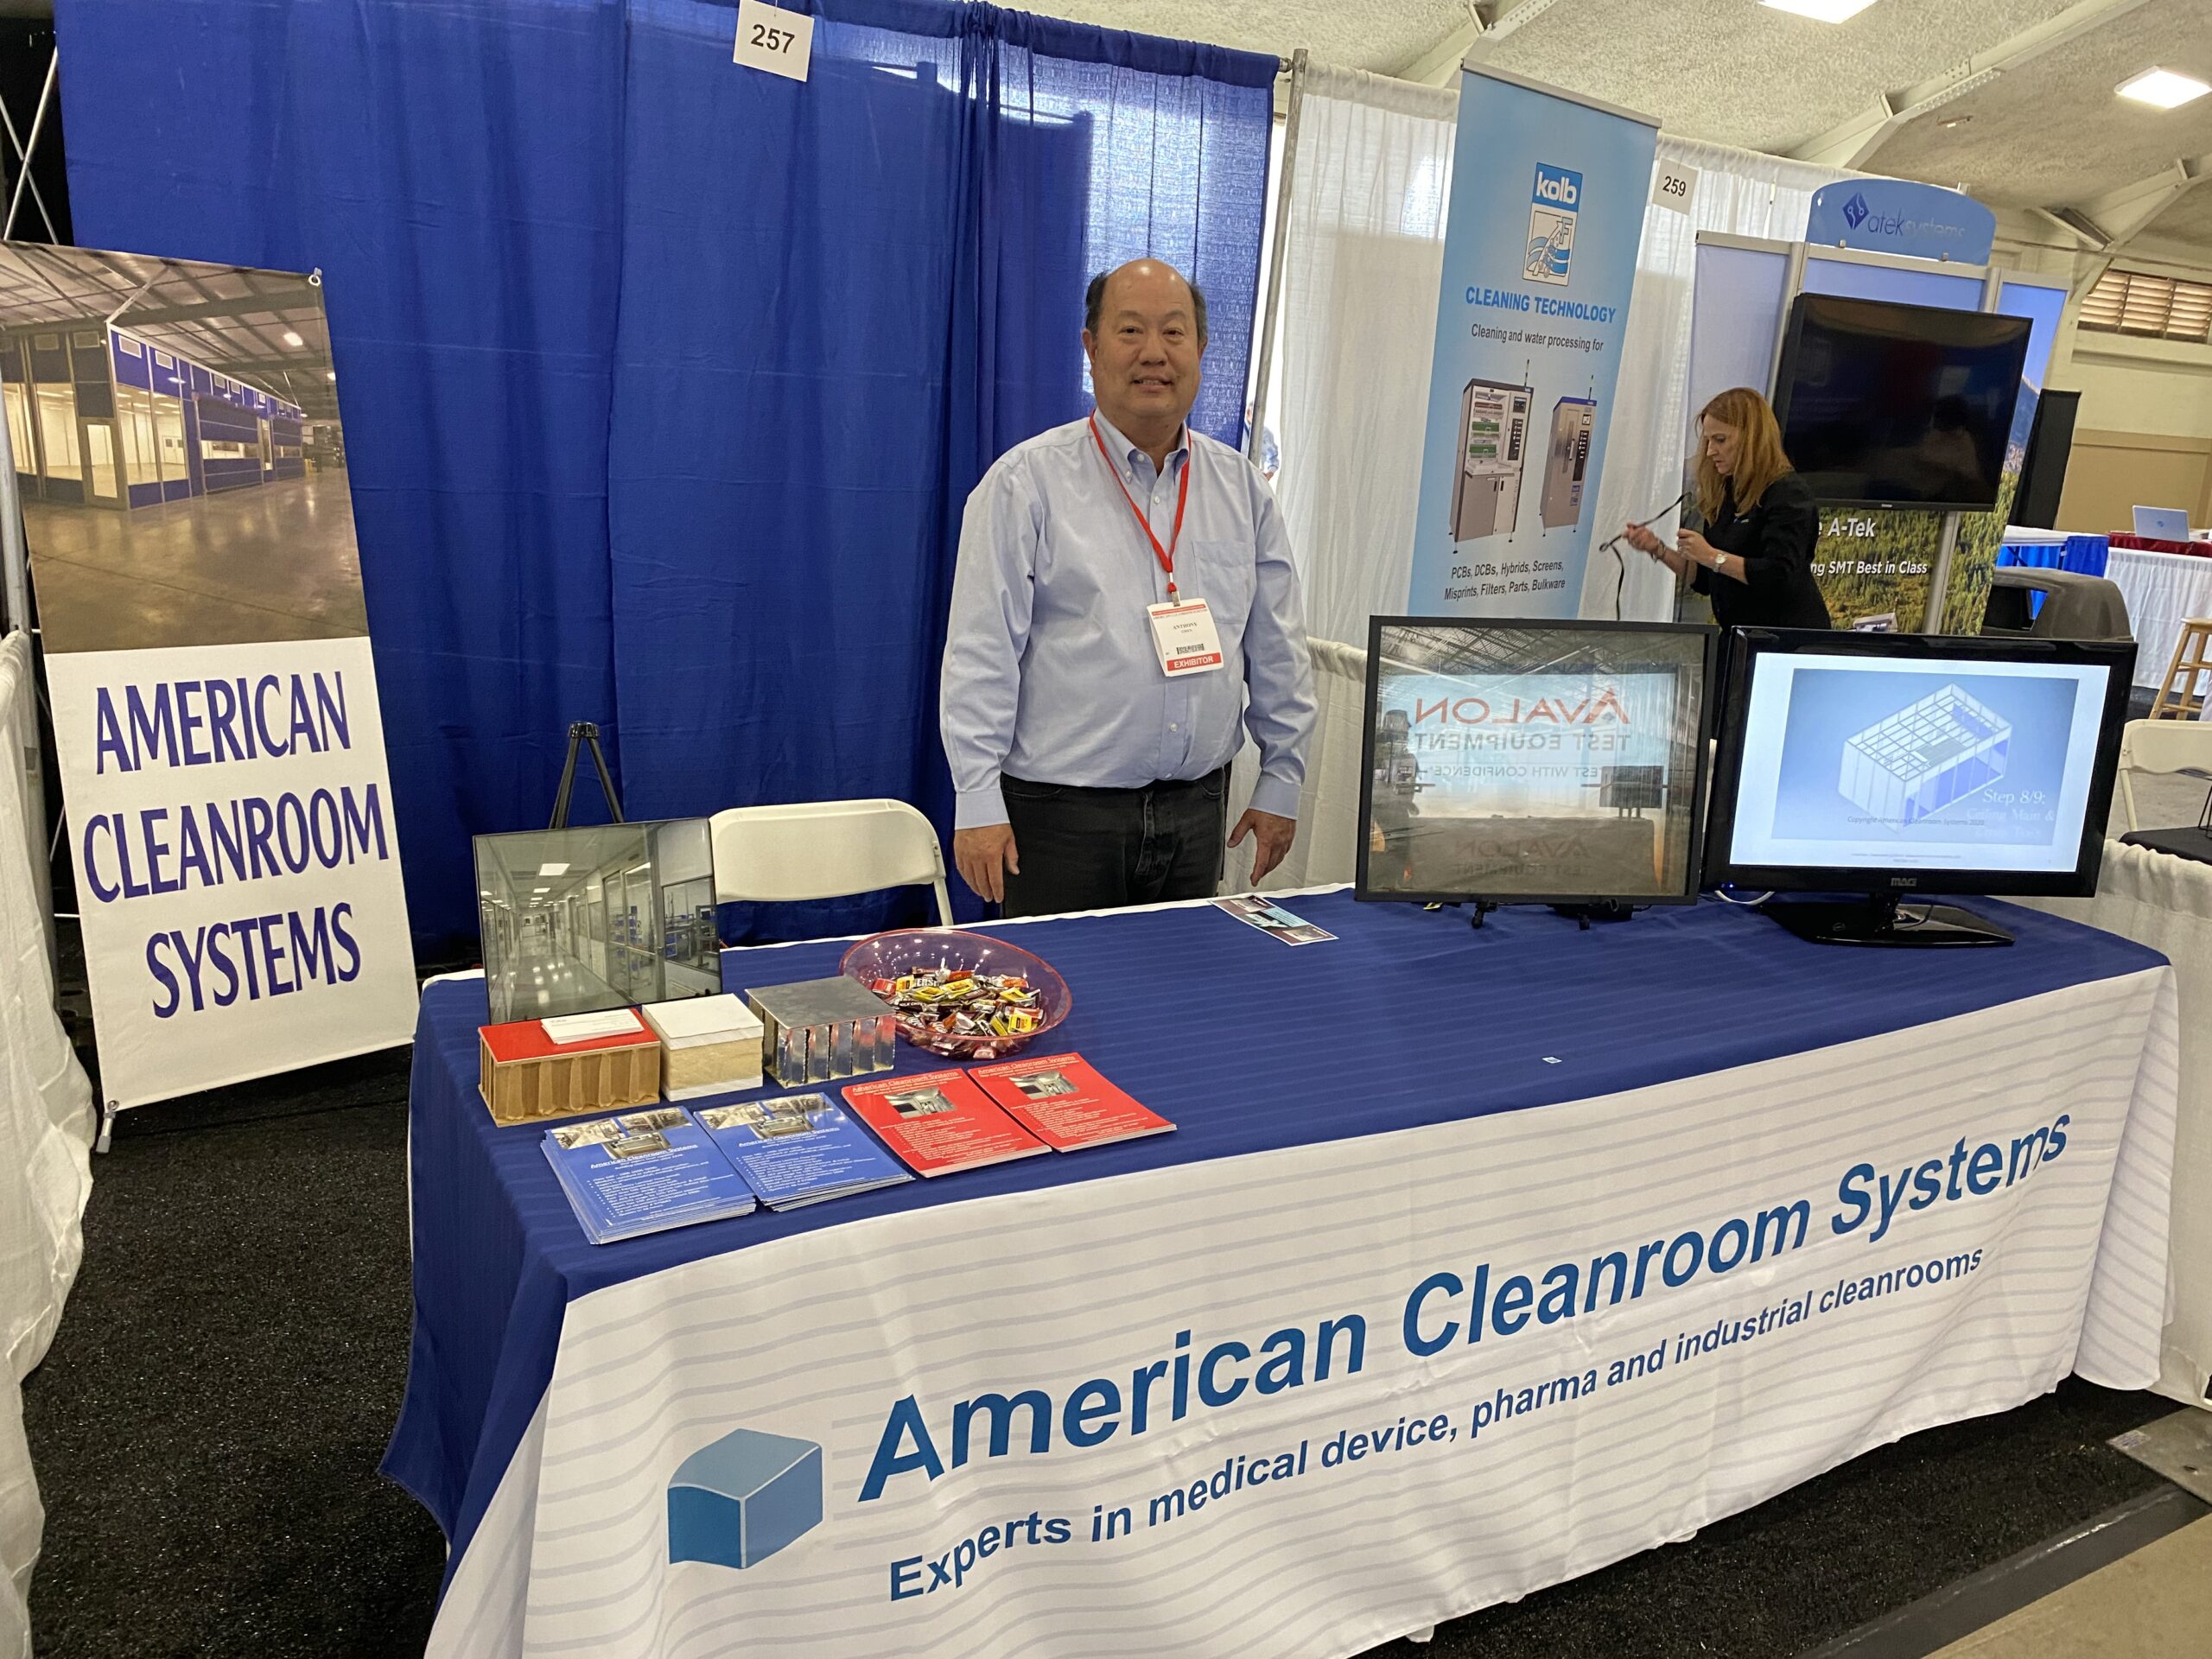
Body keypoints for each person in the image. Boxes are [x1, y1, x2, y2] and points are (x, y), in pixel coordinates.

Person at [939, 257, 1316, 918]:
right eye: (1130, 331)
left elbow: (1278, 645)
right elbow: (981, 654)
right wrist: (975, 798)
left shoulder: (1242, 489)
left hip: (1199, 813)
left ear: (1200, 350)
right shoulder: (1025, 484)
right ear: (1091, 348)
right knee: (1059, 1012)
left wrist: (1282, 778)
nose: (1154, 354)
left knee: (1183, 1006)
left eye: (1174, 334)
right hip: (1058, 821)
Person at [1623, 386, 1831, 631]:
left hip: (1785, 640)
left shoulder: (1788, 494)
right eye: (1708, 441)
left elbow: (1779, 575)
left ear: (1752, 438)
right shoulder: (1729, 492)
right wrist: (1657, 548)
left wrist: (1711, 555)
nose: (1710, 452)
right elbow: (1704, 581)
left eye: (1720, 440)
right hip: (1738, 636)